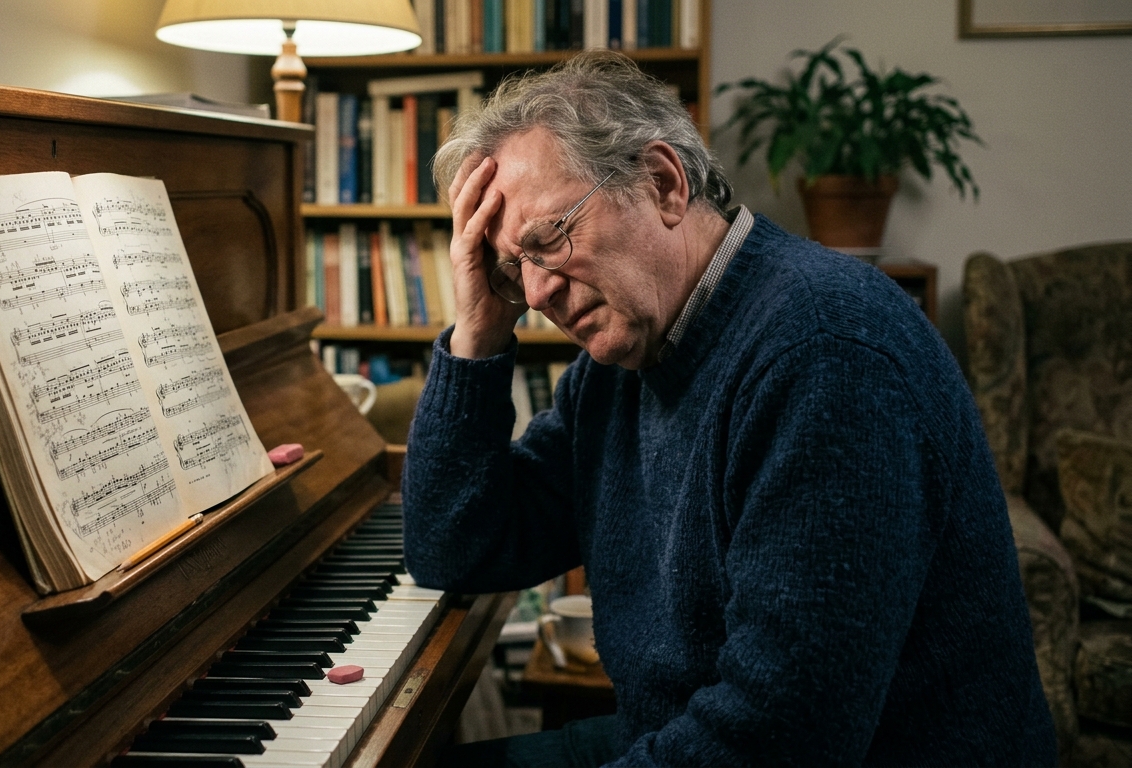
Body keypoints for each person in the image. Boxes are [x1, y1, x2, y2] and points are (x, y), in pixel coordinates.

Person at [401, 51, 1055, 767]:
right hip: (680, 736)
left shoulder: (827, 354)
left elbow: (781, 737)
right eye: (507, 268)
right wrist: (477, 334)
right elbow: (456, 548)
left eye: (548, 240)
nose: (536, 292)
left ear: (663, 184)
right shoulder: (620, 360)